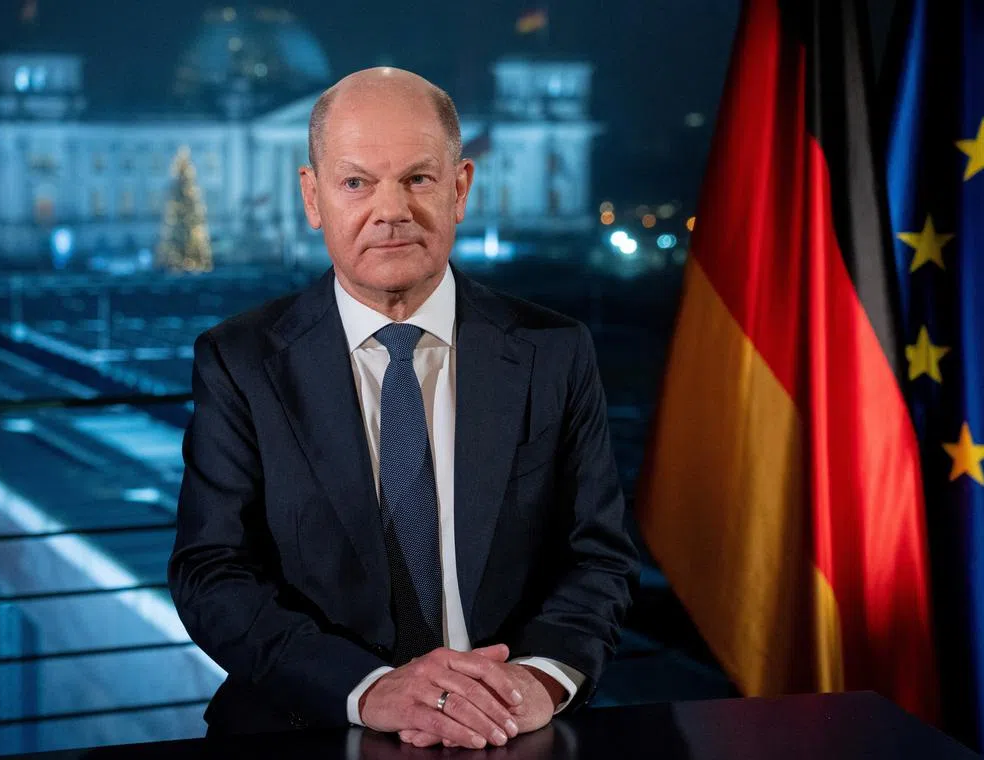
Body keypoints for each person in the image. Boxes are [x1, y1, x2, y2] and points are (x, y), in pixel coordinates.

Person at [168, 66, 638, 750]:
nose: (391, 211)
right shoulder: (239, 361)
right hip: (310, 725)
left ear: (460, 189)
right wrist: (369, 689)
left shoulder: (553, 352)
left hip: (505, 730)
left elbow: (597, 558)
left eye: (418, 179)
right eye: (356, 182)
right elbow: (211, 573)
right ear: (313, 195)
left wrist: (538, 680)